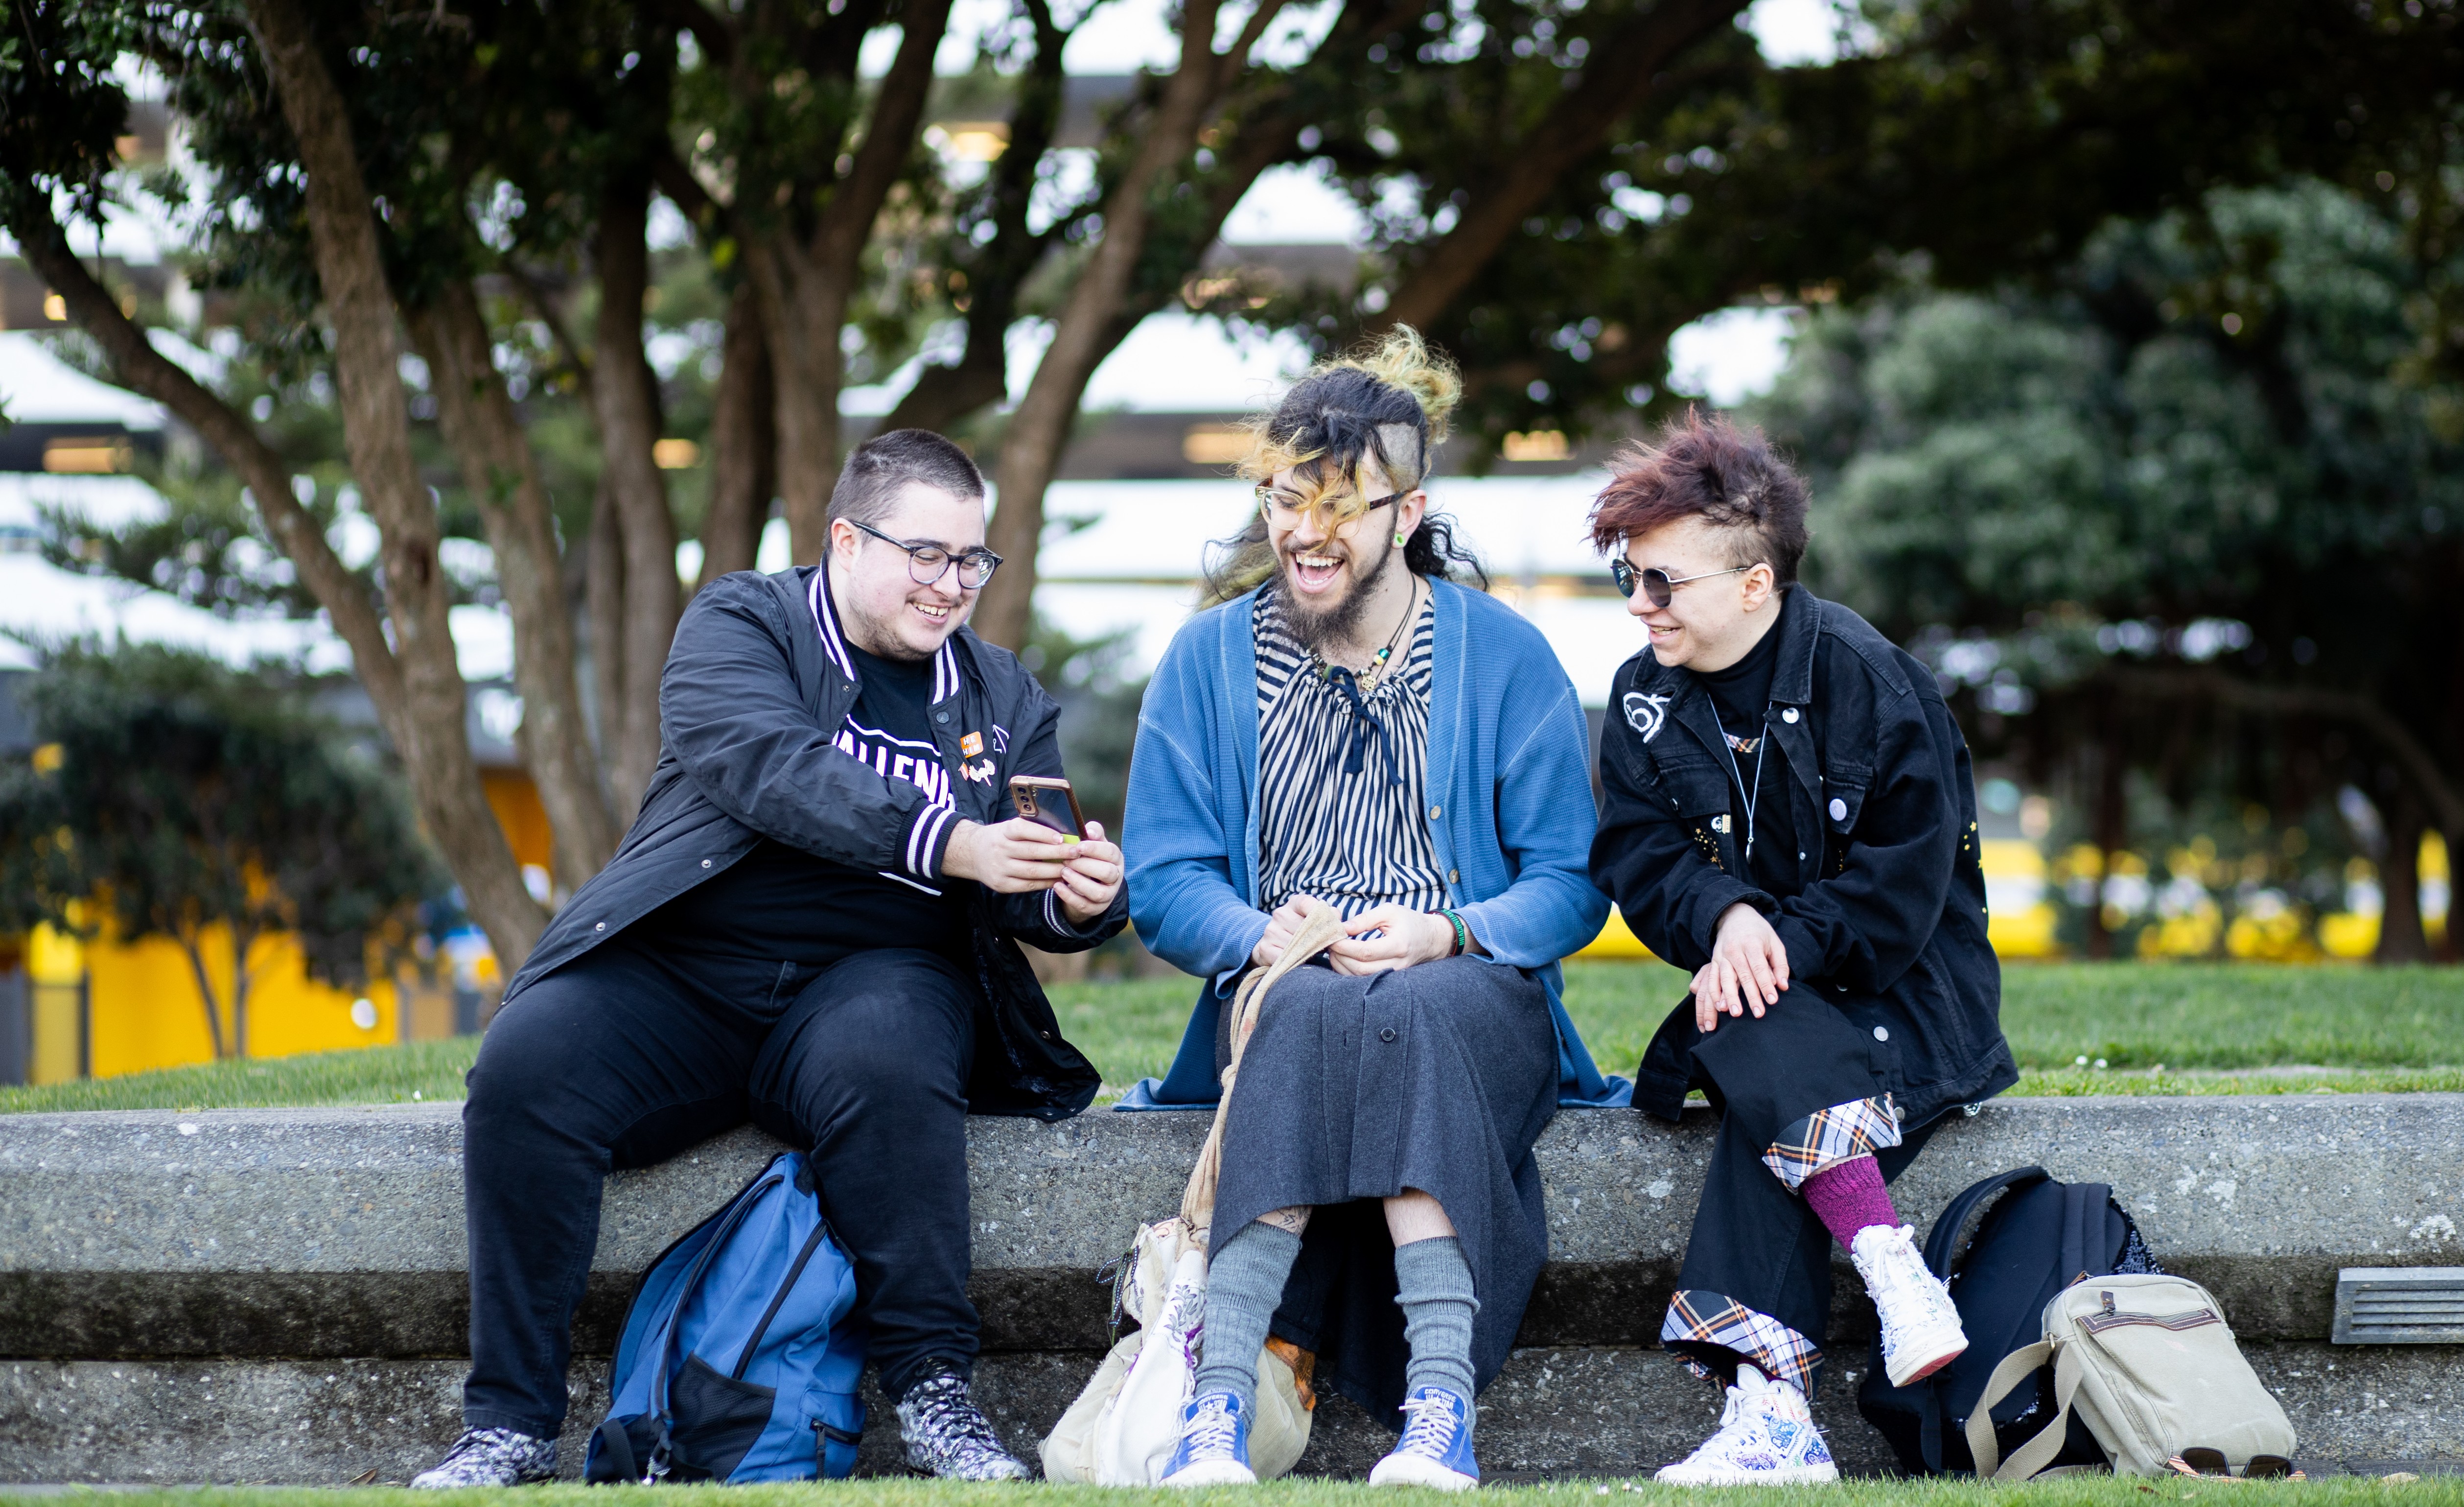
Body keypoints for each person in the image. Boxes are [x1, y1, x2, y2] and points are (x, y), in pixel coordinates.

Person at [412, 431, 1129, 1488]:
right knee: (526, 1069)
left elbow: (1025, 882)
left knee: (892, 1056)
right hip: (686, 973)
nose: (952, 586)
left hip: (879, 979)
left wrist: (1079, 899)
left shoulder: (1001, 694)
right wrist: (951, 841)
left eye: (973, 561)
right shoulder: (744, 623)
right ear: (845, 539)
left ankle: (937, 1395)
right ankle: (509, 1426)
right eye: (925, 555)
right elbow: (768, 768)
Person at [1123, 330, 1613, 1491]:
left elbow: (1571, 878)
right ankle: (1217, 1412)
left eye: (1341, 503)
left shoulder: (1503, 656)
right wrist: (1267, 941)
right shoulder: (1204, 663)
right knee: (1305, 1009)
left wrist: (1451, 932)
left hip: (1471, 996)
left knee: (1414, 1007)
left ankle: (1437, 1411)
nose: (1306, 530)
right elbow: (1165, 882)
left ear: (1409, 510)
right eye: (1286, 498)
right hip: (1287, 1001)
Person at [1585, 412, 2018, 1485]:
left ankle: (1774, 1414)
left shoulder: (1876, 682)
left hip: (1906, 1002)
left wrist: (1761, 941)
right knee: (1747, 1013)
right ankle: (1885, 1262)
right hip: (1771, 1004)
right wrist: (1727, 915)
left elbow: (1900, 896)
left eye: (1661, 582)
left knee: (1741, 1022)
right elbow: (1637, 859)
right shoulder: (1643, 698)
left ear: (1754, 584)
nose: (1640, 606)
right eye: (1628, 578)